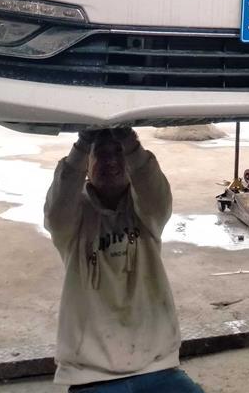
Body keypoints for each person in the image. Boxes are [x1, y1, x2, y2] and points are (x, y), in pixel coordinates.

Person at [44, 126, 205, 392]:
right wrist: (82, 144)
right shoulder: (71, 222)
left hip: (156, 367)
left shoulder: (149, 214)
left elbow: (154, 190)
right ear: (87, 167)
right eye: (101, 153)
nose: (111, 161)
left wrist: (130, 142)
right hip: (90, 374)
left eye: (118, 153)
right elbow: (57, 209)